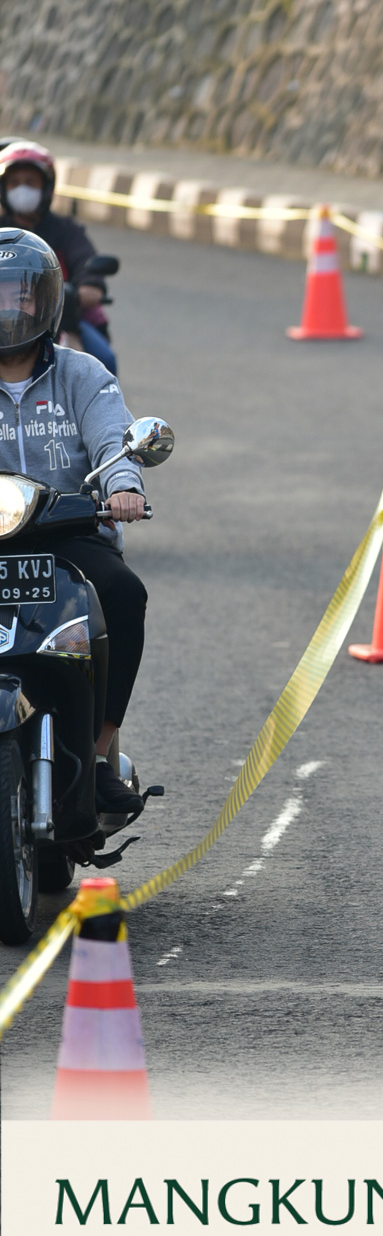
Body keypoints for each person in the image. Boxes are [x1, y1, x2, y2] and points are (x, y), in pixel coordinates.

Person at [0, 226, 148, 815]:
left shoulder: (82, 374)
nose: (10, 309)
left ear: (45, 300)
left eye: (21, 295)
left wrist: (124, 487)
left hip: (68, 535)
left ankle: (100, 751)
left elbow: (114, 438)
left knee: (124, 594)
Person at [0, 139, 119, 373]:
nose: (22, 189)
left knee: (105, 359)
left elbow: (85, 262)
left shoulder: (66, 231)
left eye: (30, 182)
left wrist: (88, 286)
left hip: (66, 320)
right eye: (14, 183)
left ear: (47, 187)